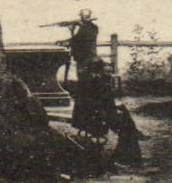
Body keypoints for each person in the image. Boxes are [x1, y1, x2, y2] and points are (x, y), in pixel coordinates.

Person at [53, 10, 143, 162]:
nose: (83, 19)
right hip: (88, 69)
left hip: (88, 66)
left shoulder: (90, 29)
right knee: (89, 102)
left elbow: (77, 42)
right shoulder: (86, 29)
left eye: (85, 17)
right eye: (82, 16)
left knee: (92, 104)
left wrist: (70, 32)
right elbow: (76, 41)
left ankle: (103, 146)